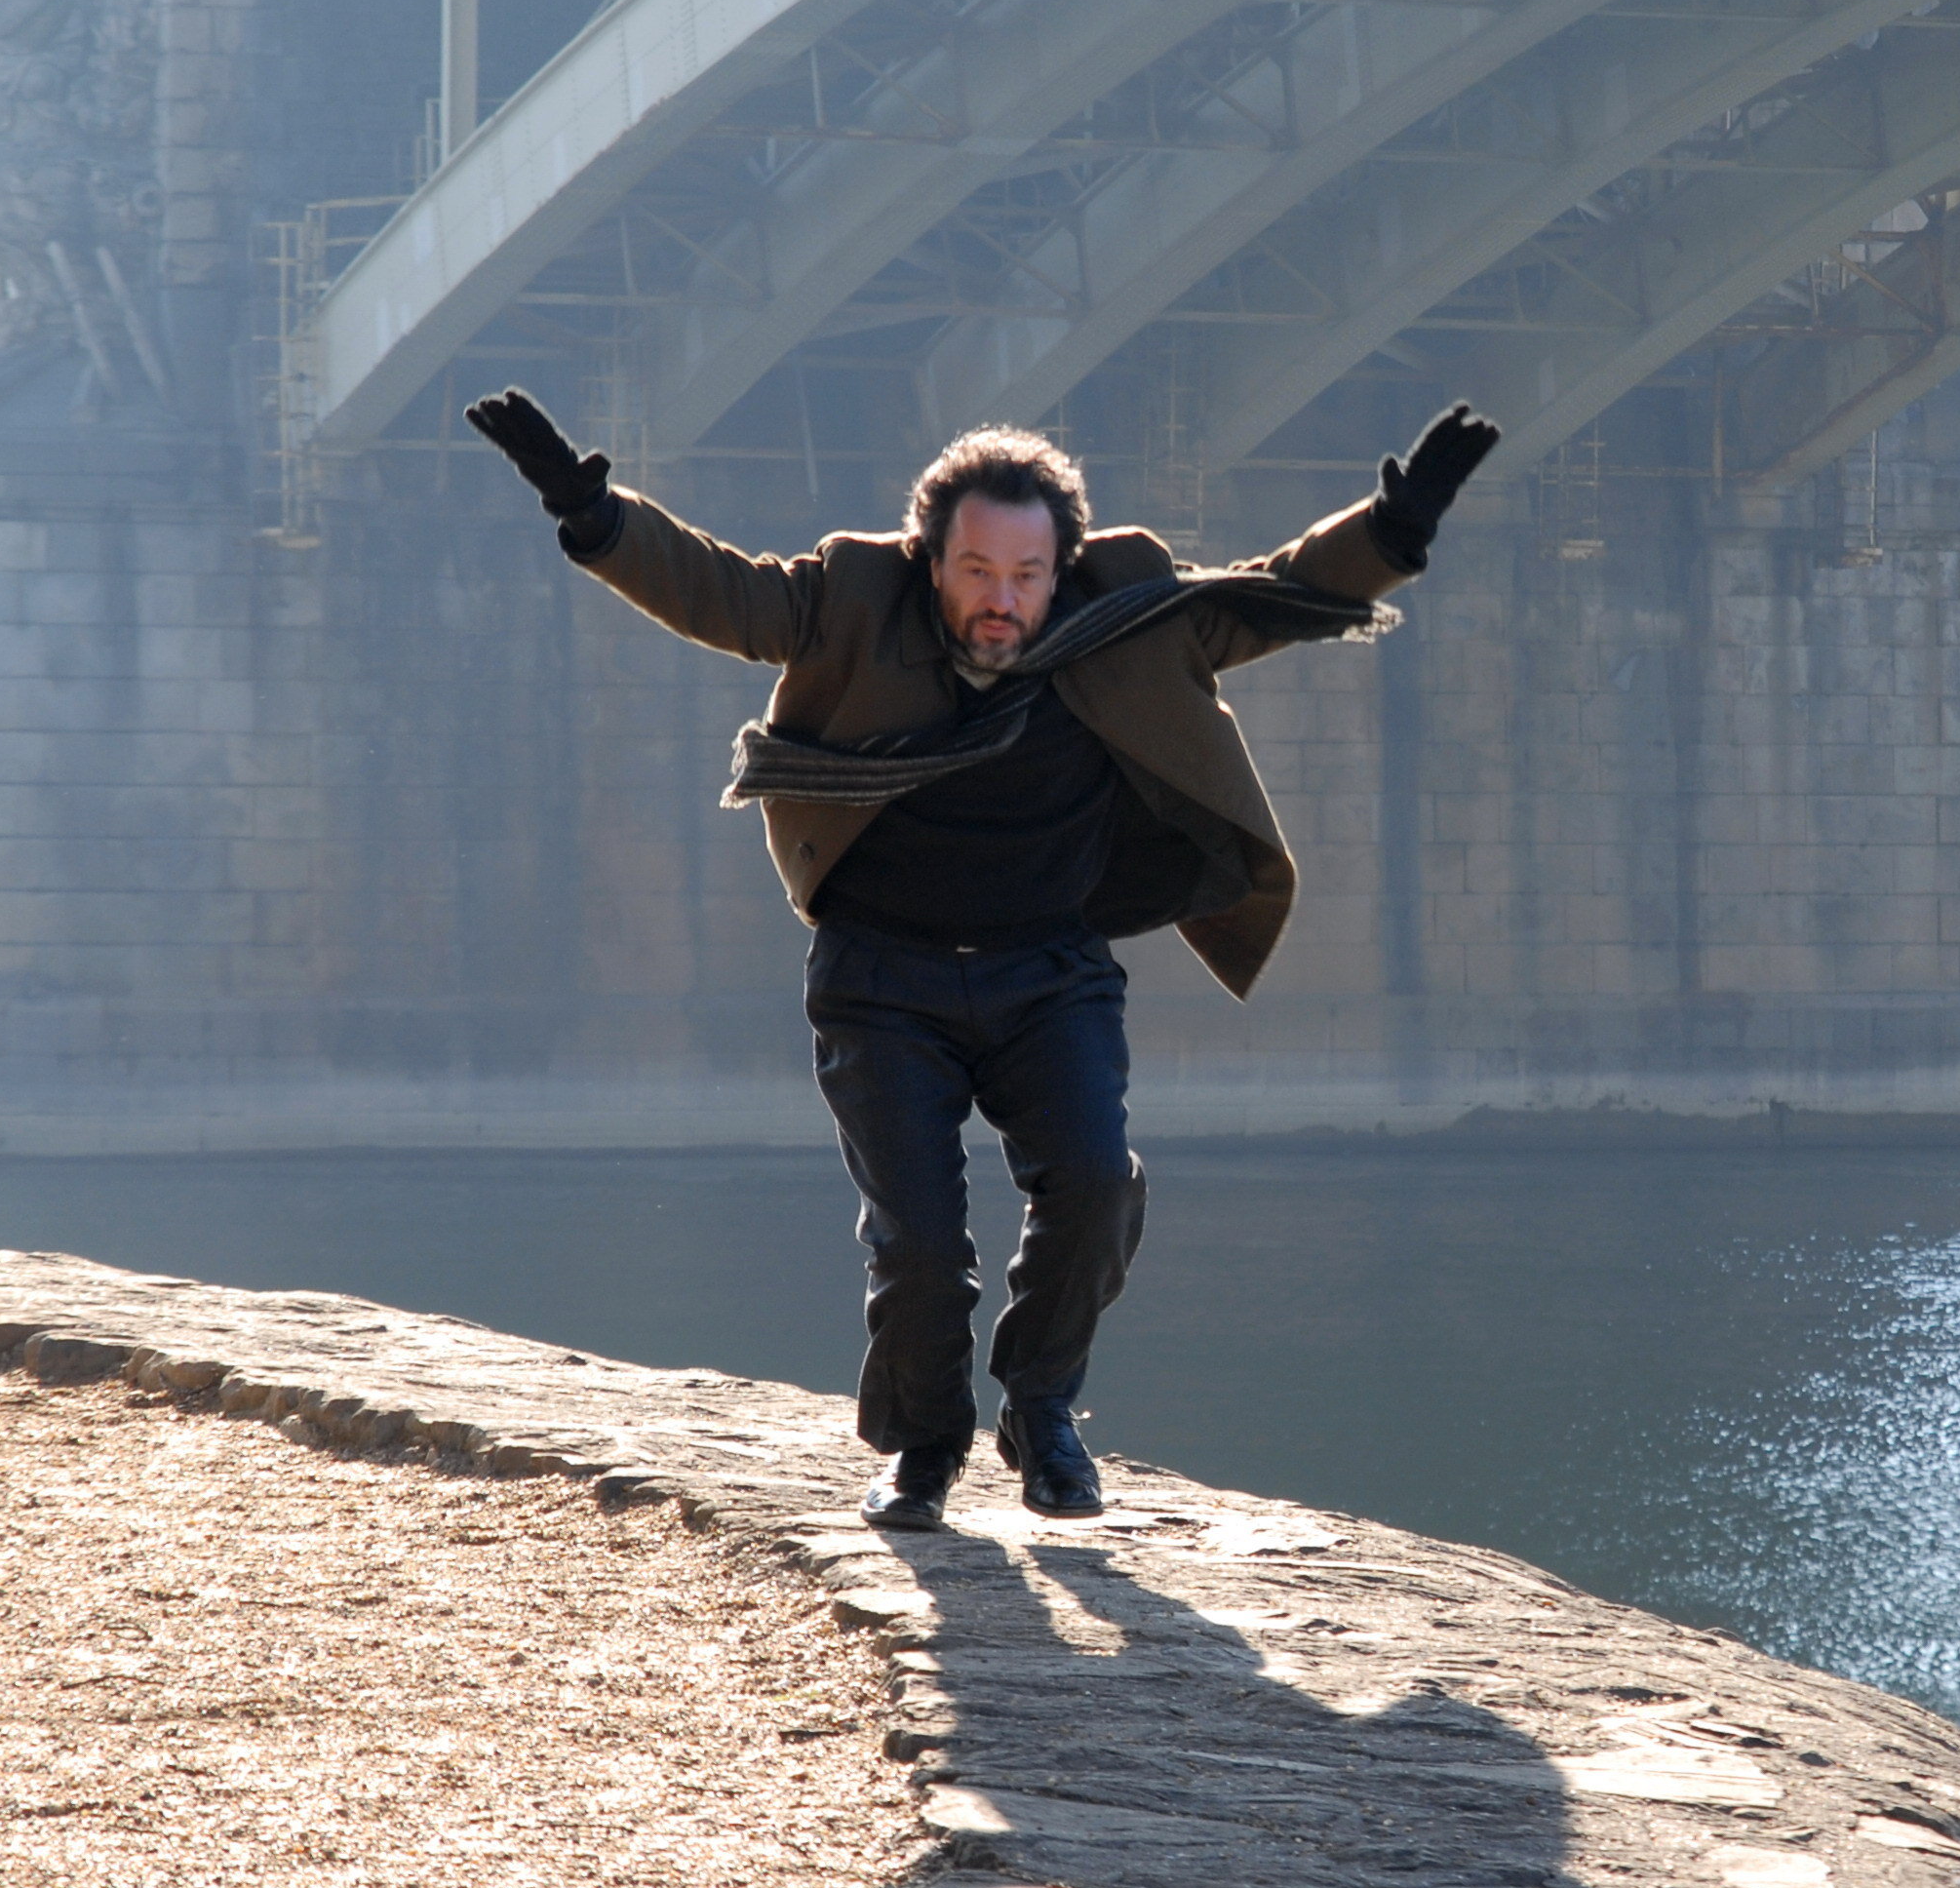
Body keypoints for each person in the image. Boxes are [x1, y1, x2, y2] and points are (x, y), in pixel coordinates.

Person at [465, 392, 1500, 1528]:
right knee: (917, 1246)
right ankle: (921, 1449)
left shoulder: (1128, 608)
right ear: (929, 560)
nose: (998, 600)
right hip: (881, 979)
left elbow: (1278, 593)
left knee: (1096, 1185)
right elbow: (718, 592)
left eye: (1024, 575)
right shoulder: (850, 596)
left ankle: (1042, 1412)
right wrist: (588, 509)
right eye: (973, 571)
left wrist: (1397, 523)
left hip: (1046, 971)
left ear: (1063, 569)